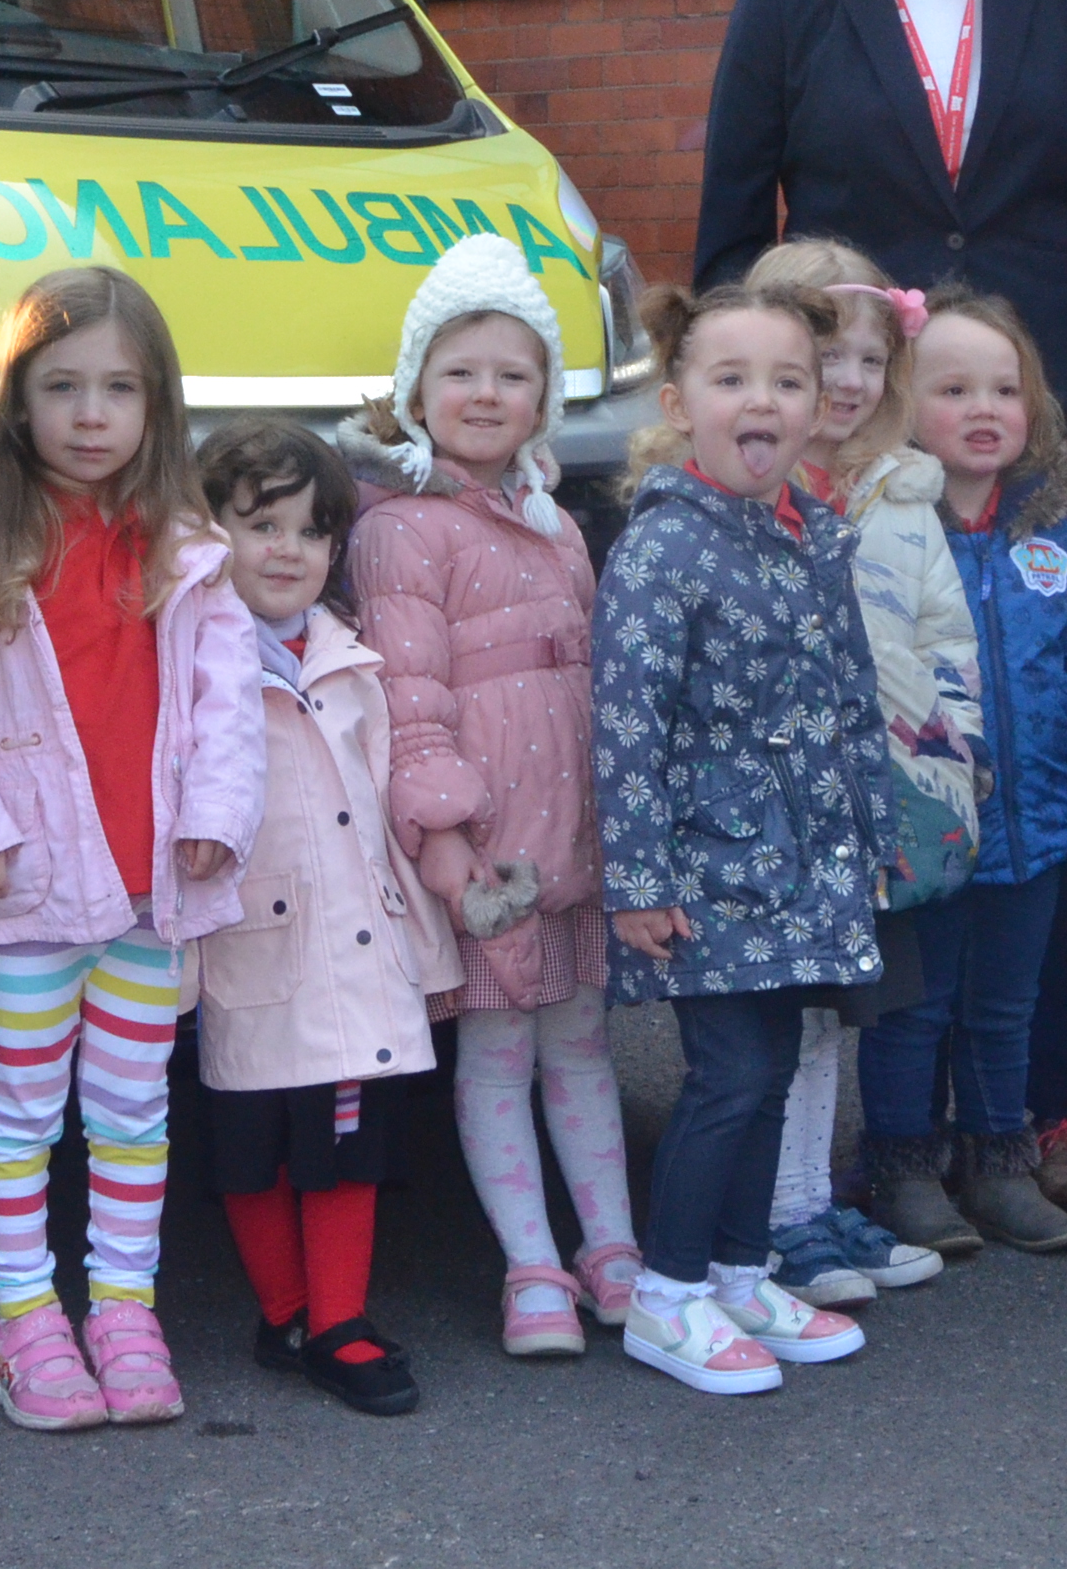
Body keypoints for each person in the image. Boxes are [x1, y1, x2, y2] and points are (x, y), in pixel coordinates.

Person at [688, 0, 1067, 1217]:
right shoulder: (786, 1)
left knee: (1038, 756)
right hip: (868, 448)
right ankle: (893, 1138)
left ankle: (1041, 1115)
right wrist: (743, 437)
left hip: (1031, 427)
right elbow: (725, 248)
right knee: (896, 774)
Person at [0, 267, 265, 1432]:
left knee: (135, 1104)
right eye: (62, 388)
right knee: (24, 1104)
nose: (91, 415)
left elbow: (231, 694)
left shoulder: (184, 543)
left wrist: (215, 814)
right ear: (17, 399)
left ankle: (126, 1308)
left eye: (118, 389)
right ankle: (25, 1320)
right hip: (25, 888)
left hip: (155, 884)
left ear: (158, 405)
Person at [590, 276, 888, 1395]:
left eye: (786, 380)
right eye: (731, 379)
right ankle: (666, 1298)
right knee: (728, 1074)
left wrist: (871, 829)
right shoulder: (663, 550)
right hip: (706, 872)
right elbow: (624, 727)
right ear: (679, 401)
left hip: (805, 867)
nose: (759, 400)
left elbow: (853, 696)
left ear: (816, 405)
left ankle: (736, 1267)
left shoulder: (811, 538)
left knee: (767, 1072)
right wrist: (637, 880)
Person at [341, 234, 635, 1358]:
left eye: (514, 375)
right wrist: (447, 835)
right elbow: (408, 696)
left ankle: (611, 1246)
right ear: (417, 386)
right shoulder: (399, 529)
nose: (485, 393)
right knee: (499, 1050)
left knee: (584, 1042)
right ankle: (530, 1265)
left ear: (544, 399)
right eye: (460, 370)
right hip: (491, 847)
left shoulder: (559, 525)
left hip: (576, 832)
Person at [859, 296, 1067, 1261]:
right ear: (908, 405)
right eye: (954, 389)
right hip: (926, 832)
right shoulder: (889, 531)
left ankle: (1000, 1160)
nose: (984, 408)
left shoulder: (1050, 539)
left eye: (1006, 389)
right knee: (915, 1011)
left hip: (1033, 832)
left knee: (1006, 1009)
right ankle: (901, 1165)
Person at [187, 419, 459, 1419]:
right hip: (248, 943)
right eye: (261, 525)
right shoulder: (192, 662)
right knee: (249, 1145)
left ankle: (338, 1322)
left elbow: (388, 809)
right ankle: (287, 1311)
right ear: (208, 531)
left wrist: (426, 949)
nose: (288, 551)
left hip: (354, 948)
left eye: (311, 532)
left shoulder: (353, 661)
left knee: (347, 1145)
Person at [745, 240, 974, 1302]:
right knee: (782, 1022)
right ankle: (776, 1218)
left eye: (870, 361)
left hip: (875, 803)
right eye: (823, 353)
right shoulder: (745, 493)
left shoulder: (902, 497)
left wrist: (951, 766)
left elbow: (946, 642)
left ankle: (811, 1200)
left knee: (836, 1015)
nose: (846, 381)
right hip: (776, 810)